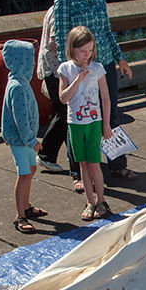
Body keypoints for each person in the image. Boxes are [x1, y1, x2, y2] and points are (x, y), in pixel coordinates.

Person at [53, 0, 135, 183]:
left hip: (105, 63)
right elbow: (61, 40)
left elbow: (107, 31)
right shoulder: (64, 0)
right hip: (81, 69)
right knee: (80, 117)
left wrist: (120, 58)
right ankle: (78, 173)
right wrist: (68, 73)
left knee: (111, 114)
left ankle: (117, 164)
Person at [57, 26, 112, 222]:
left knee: (95, 163)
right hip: (75, 123)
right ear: (72, 49)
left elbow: (105, 98)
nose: (87, 55)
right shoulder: (65, 69)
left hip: (94, 122)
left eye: (90, 50)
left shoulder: (97, 68)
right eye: (82, 51)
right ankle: (89, 201)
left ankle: (101, 199)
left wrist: (106, 124)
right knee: (83, 164)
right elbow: (63, 98)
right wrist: (78, 80)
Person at [36, 0, 84, 193]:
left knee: (63, 112)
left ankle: (70, 155)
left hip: (53, 69)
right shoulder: (58, 10)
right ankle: (46, 153)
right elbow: (53, 42)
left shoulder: (53, 8)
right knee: (64, 111)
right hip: (56, 70)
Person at [0, 39, 47, 234]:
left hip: (25, 138)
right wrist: (31, 141)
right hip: (21, 140)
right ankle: (20, 216)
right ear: (22, 63)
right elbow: (20, 119)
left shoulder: (21, 83)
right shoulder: (18, 87)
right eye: (30, 62)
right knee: (24, 173)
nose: (33, 65)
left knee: (31, 169)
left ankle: (26, 206)